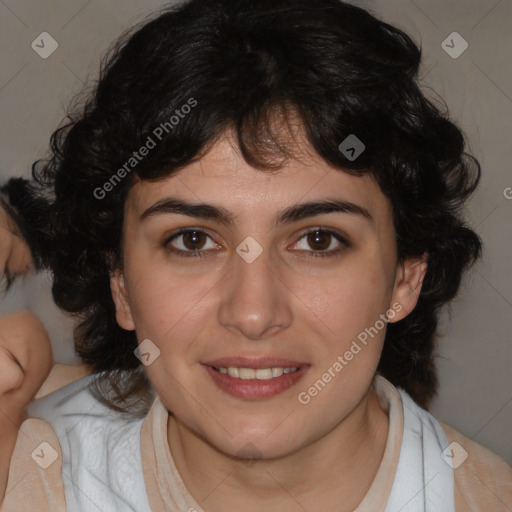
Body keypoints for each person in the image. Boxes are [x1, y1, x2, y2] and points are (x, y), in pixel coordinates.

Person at [0, 0, 511, 510]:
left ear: (405, 277)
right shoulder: (29, 477)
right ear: (120, 282)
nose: (253, 313)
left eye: (318, 240)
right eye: (193, 240)